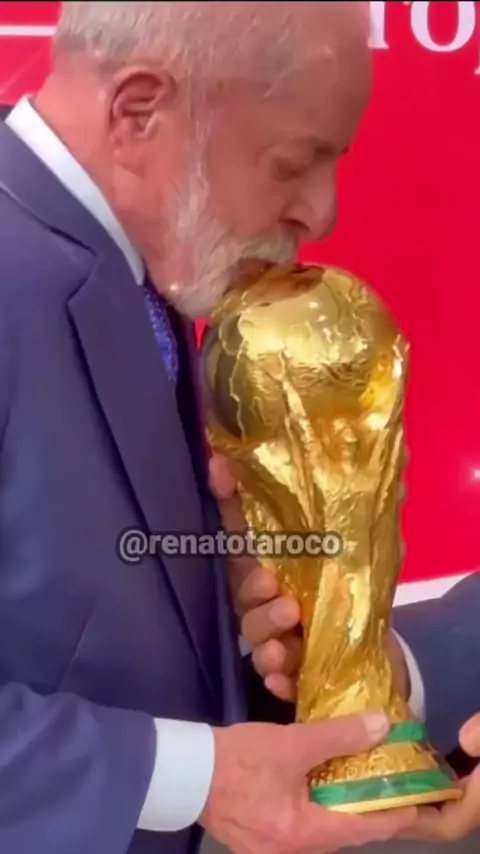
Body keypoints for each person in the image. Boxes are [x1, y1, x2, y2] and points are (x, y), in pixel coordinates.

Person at [0, 2, 420, 853]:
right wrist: (196, 777)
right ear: (138, 112)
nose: (323, 213)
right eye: (293, 163)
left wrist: (270, 641)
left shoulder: (145, 266)